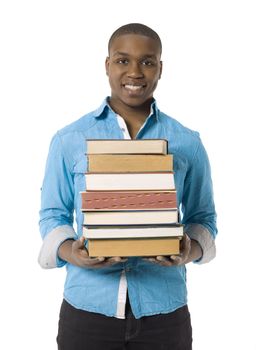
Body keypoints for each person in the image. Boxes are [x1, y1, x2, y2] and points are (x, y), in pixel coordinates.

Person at [38, 23, 217, 350]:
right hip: (87, 310)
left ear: (160, 69)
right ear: (107, 65)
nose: (134, 71)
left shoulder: (187, 142)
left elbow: (203, 217)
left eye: (147, 61)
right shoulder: (69, 140)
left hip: (165, 313)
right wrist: (72, 254)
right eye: (123, 60)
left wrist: (187, 250)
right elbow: (53, 214)